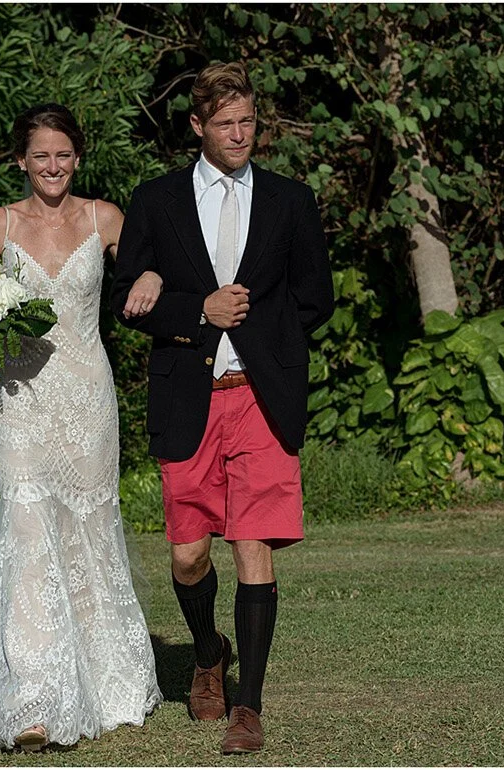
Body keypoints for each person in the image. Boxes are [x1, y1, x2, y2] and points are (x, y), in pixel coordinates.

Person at [108, 62, 334, 755]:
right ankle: (209, 652)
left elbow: (315, 298)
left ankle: (249, 707)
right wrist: (198, 312)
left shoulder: (291, 200)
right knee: (187, 555)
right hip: (188, 396)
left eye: (249, 122)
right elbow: (126, 300)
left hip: (262, 397)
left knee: (252, 545)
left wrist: (262, 337)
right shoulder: (156, 200)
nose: (240, 134)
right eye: (226, 123)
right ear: (197, 125)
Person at [0, 103, 162, 753]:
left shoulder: (105, 218)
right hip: (20, 397)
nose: (52, 166)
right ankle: (34, 699)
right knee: (27, 530)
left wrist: (152, 273)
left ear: (78, 157)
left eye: (63, 154)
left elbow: (156, 264)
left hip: (87, 398)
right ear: (21, 159)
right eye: (40, 155)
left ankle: (102, 682)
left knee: (86, 531)